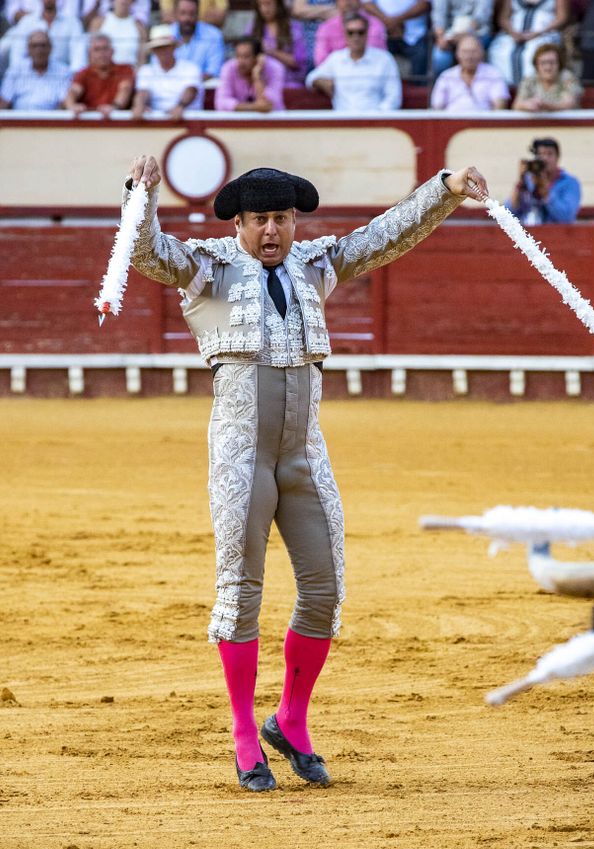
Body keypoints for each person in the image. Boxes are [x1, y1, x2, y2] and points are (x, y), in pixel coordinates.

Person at [121, 156, 490, 792]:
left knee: (324, 589)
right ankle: (243, 732)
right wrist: (141, 195)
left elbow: (384, 236)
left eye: (283, 219)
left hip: (304, 454)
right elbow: (146, 253)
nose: (273, 231)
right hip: (240, 454)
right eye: (261, 219)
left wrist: (446, 190)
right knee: (241, 593)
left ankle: (290, 719)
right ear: (238, 222)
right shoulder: (206, 267)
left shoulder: (314, 265)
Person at [305, 13, 400, 107]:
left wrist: (377, 117)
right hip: (342, 119)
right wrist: (320, 81)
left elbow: (393, 98)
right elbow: (311, 78)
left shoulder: (384, 59)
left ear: (367, 33)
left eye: (360, 32)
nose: (356, 37)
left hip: (375, 118)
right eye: (351, 32)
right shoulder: (336, 59)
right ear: (345, 35)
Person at [487, 0, 568, 85]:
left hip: (545, 32)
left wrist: (538, 33)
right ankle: (504, 89)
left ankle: (531, 88)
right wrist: (513, 33)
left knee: (531, 53)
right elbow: (503, 18)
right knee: (499, 52)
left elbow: (562, 18)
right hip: (514, 33)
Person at [131, 23, 200, 118]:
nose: (162, 51)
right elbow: (142, 92)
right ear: (154, 51)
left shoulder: (190, 68)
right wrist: (140, 105)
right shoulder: (146, 70)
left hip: (187, 119)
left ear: (173, 47)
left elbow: (191, 90)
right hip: (155, 121)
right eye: (158, 48)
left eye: (166, 47)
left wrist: (180, 106)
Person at [509, 135, 580, 224]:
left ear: (557, 157)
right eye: (540, 154)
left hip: (557, 234)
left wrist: (546, 193)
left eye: (549, 154)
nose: (545, 159)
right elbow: (508, 213)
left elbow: (566, 217)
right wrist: (520, 182)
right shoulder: (528, 181)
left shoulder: (570, 183)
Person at [0, 0, 86, 71]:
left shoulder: (73, 23)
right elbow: (17, 58)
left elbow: (78, 59)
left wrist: (72, 78)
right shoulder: (26, 22)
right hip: (31, 77)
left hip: (63, 78)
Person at [429, 33, 506, 107]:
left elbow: (499, 107)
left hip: (483, 119)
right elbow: (436, 108)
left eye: (473, 52)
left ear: (482, 53)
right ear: (457, 54)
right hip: (452, 119)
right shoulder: (446, 77)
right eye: (465, 52)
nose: (469, 56)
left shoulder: (494, 75)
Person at [0, 28, 70, 105]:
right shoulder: (15, 70)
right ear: (28, 49)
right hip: (20, 115)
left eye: (43, 45)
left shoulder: (63, 71)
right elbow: (3, 102)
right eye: (34, 46)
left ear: (50, 48)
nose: (39, 50)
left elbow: (63, 104)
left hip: (51, 116)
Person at [64, 31, 133, 112]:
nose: (102, 53)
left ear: (112, 51)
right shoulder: (83, 73)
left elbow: (125, 89)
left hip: (116, 121)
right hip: (89, 122)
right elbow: (74, 91)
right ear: (89, 53)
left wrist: (114, 108)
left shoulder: (125, 69)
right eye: (97, 50)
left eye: (105, 49)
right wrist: (72, 106)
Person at [215, 34, 284, 108]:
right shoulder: (228, 67)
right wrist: (253, 107)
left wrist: (257, 77)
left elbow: (270, 104)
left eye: (246, 57)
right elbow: (221, 102)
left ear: (258, 57)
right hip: (238, 118)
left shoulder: (275, 68)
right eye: (238, 56)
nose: (241, 62)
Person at [365, 0, 429, 76]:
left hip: (415, 35)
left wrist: (396, 20)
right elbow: (366, 4)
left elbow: (425, 4)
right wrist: (388, 21)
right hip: (381, 34)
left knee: (421, 57)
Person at [429, 0, 492, 76]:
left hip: (478, 34)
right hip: (449, 35)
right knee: (440, 57)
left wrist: (463, 36)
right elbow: (438, 16)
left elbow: (480, 17)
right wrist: (441, 38)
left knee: (470, 53)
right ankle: (442, 85)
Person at [512, 39, 579, 108]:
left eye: (552, 62)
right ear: (536, 65)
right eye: (543, 63)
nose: (548, 67)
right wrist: (527, 105)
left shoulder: (567, 77)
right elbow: (516, 105)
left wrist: (545, 105)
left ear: (559, 64)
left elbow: (569, 103)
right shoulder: (529, 80)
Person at [312, 0, 383, 64]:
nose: (347, 2)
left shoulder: (374, 24)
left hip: (369, 73)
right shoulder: (326, 27)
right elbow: (321, 61)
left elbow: (376, 58)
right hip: (336, 76)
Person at [253, 0, 309, 76]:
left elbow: (299, 62)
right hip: (263, 80)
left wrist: (272, 52)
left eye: (268, 4)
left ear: (278, 5)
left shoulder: (293, 28)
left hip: (290, 81)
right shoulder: (252, 29)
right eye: (260, 5)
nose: (264, 9)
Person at [169, 0, 224, 74]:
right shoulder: (166, 34)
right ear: (176, 14)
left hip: (204, 83)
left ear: (198, 14)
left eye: (192, 13)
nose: (187, 18)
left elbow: (213, 71)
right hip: (171, 83)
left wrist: (192, 83)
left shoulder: (213, 35)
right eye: (183, 13)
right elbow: (158, 70)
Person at [85, 0, 145, 64]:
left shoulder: (139, 27)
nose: (123, 1)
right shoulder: (98, 23)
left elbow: (141, 59)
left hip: (129, 71)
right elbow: (90, 53)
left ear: (133, 2)